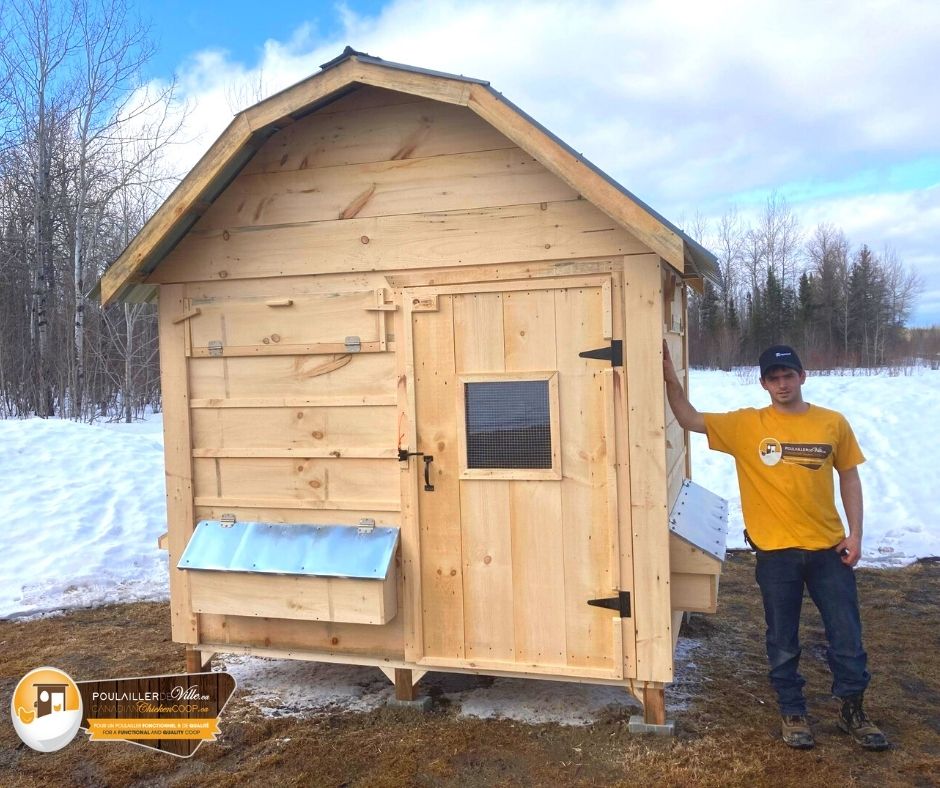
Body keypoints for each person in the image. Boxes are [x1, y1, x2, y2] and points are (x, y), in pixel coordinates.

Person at [662, 342, 889, 751]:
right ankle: (793, 710)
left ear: (802, 376)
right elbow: (688, 417)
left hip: (828, 552)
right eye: (773, 378)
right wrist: (668, 375)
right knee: (782, 638)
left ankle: (853, 709)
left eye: (788, 375)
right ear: (764, 383)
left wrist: (855, 534)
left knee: (847, 636)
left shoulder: (832, 423)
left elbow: (849, 478)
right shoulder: (746, 425)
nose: (782, 384)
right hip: (776, 555)